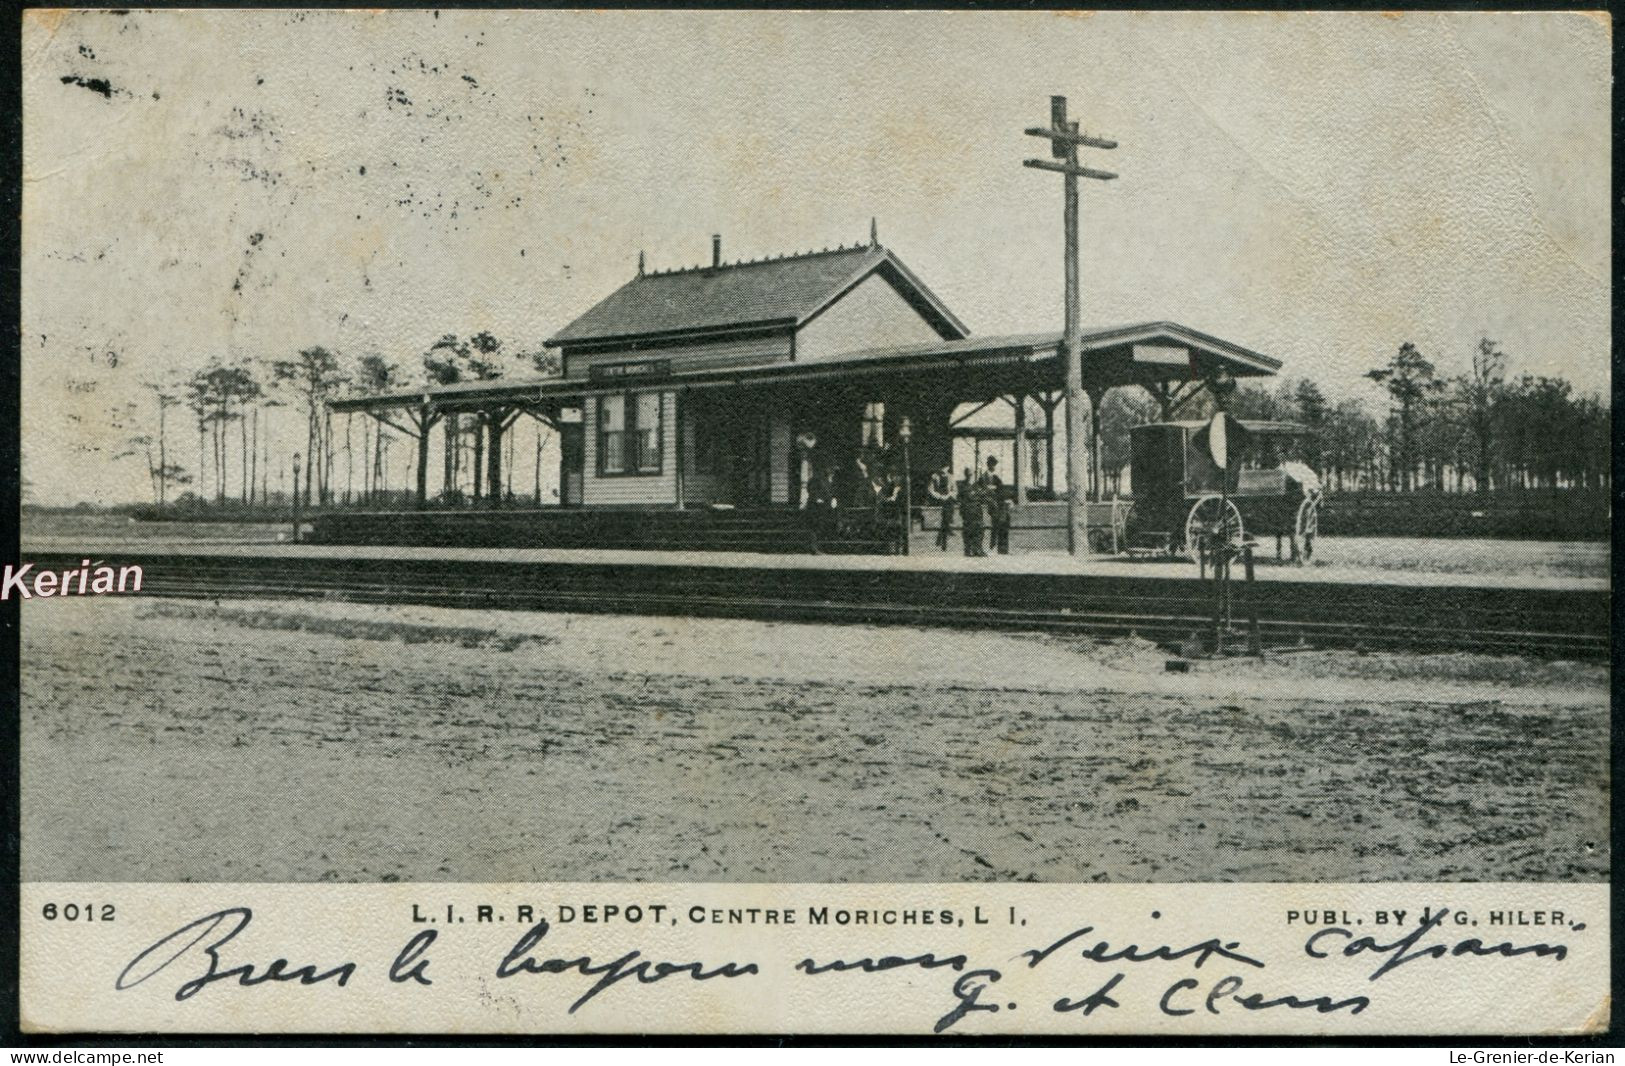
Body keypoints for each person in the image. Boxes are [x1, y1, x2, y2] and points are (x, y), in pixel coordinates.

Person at [982, 456, 1012, 555]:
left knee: (1001, 524)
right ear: (988, 465)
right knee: (995, 525)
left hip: (998, 504)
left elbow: (1001, 490)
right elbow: (983, 490)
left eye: (994, 465)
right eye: (991, 464)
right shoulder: (984, 477)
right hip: (991, 504)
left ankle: (1001, 548)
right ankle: (992, 546)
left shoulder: (996, 477)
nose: (993, 466)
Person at [926, 465, 956, 550]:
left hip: (948, 499)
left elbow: (954, 490)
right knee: (946, 517)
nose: (943, 469)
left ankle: (941, 539)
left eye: (945, 467)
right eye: (942, 467)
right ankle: (944, 536)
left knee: (945, 516)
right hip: (938, 499)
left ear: (948, 468)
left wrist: (948, 495)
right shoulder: (935, 476)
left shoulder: (951, 477)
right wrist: (938, 496)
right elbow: (930, 489)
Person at [958, 468, 985, 557]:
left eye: (971, 474)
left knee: (979, 530)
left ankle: (977, 549)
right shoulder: (963, 485)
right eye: (969, 474)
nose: (970, 476)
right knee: (969, 531)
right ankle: (969, 550)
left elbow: (982, 496)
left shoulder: (976, 485)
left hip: (976, 511)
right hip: (968, 511)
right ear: (966, 475)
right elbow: (961, 498)